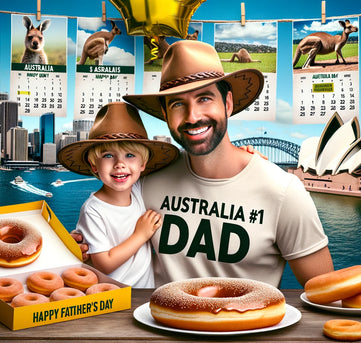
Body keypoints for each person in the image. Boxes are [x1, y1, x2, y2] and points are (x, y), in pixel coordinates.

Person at [76, 40, 334, 288]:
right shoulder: (147, 179)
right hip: (155, 327)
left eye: (205, 98)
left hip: (245, 330)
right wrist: (79, 244)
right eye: (178, 104)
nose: (193, 116)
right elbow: (108, 217)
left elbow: (327, 293)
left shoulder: (283, 192)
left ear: (228, 104)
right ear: (165, 114)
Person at [58, 102, 178, 288]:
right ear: (93, 166)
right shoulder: (93, 209)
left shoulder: (138, 190)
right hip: (114, 295)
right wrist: (141, 235)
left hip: (144, 293)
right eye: (108, 156)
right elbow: (104, 264)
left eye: (130, 155)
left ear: (143, 164)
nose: (119, 164)